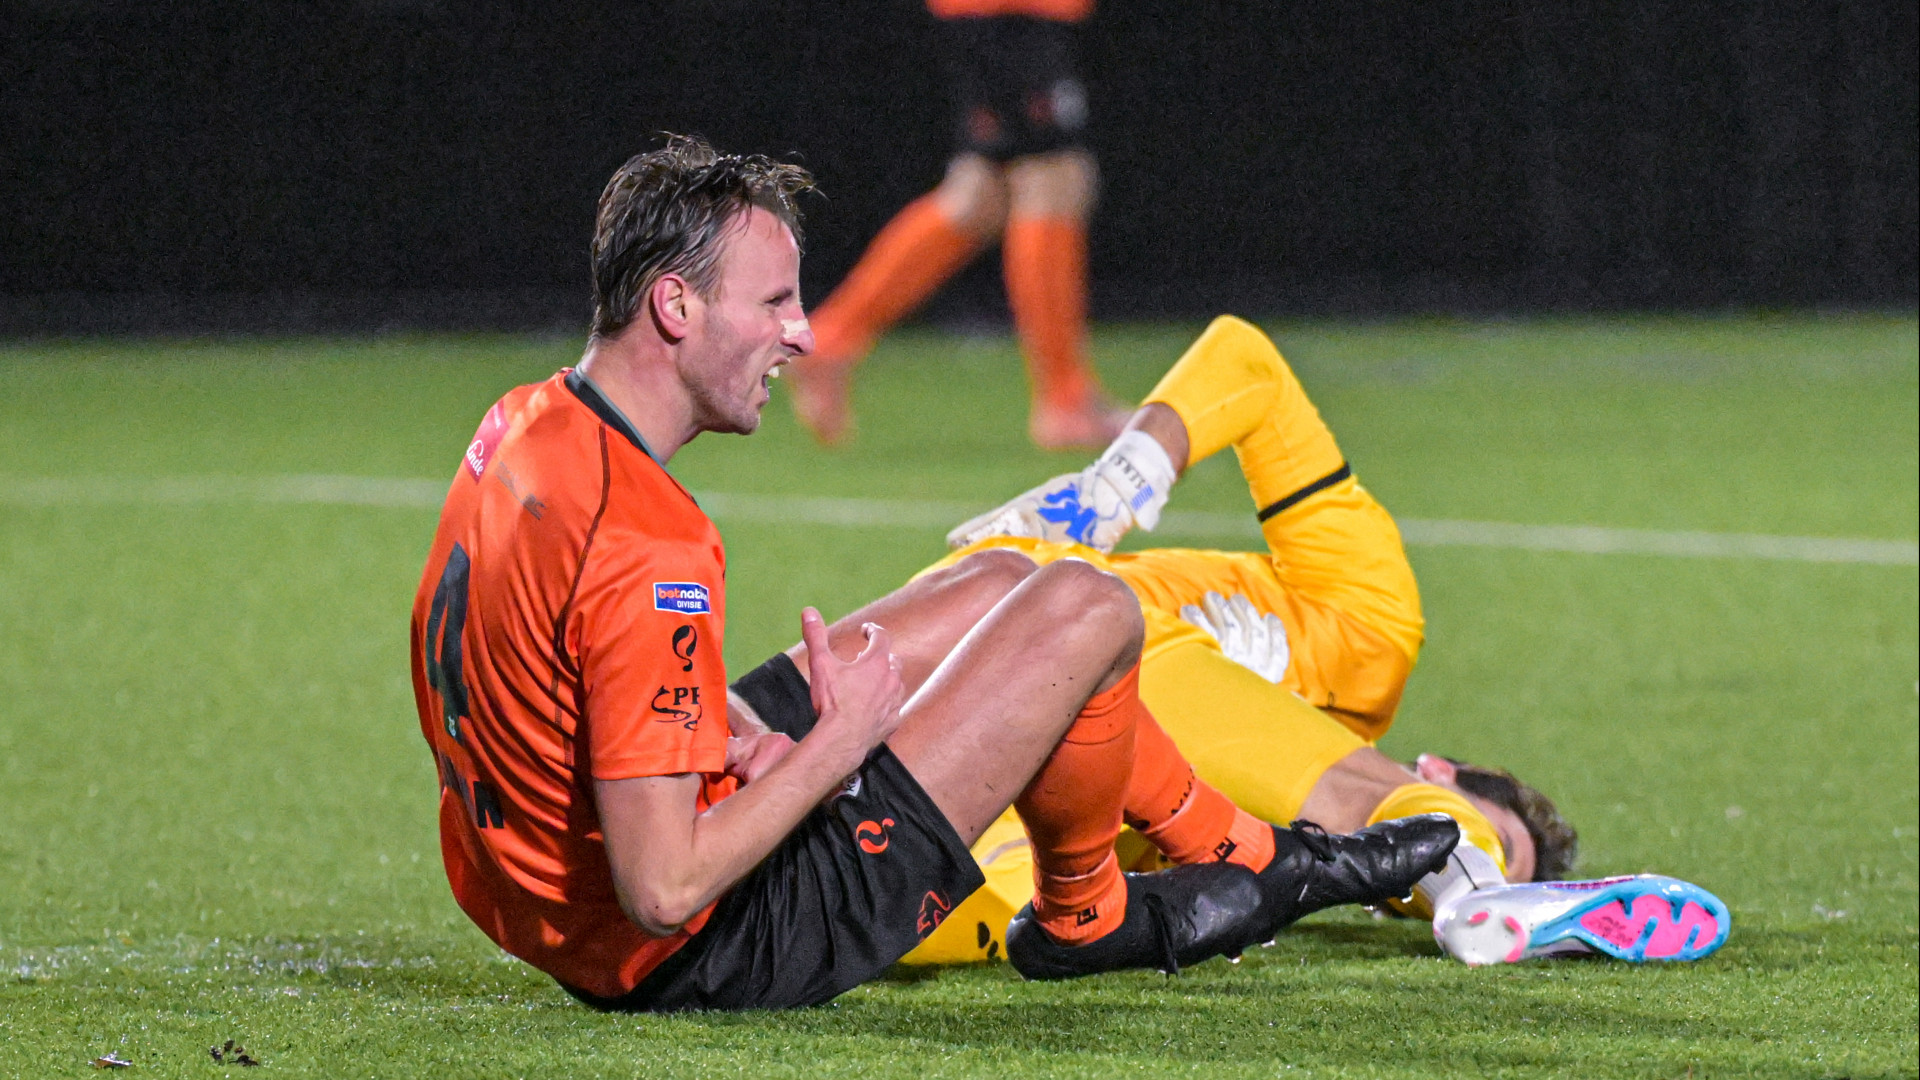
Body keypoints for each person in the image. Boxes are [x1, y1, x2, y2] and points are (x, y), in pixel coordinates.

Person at [409, 138, 1460, 1012]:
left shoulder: (524, 423)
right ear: (676, 308)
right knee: (1088, 606)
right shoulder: (651, 544)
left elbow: (556, 668)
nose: (803, 334)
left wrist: (733, 732)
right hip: (699, 950)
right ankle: (1093, 911)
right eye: (773, 303)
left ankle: (1221, 852)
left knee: (1002, 578)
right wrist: (836, 745)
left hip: (546, 891)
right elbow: (663, 886)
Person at [776, 314, 1715, 966]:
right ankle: (1479, 902)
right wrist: (1115, 489)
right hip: (1068, 614)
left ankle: (721, 893)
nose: (1394, 901)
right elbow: (1247, 362)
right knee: (1371, 803)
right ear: (1444, 765)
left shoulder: (1217, 841)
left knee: (930, 902)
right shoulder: (1372, 626)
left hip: (981, 697)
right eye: (1497, 837)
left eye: (1494, 860)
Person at [787, 0, 1125, 449]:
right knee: (1052, 175)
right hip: (1016, 14)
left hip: (993, 16)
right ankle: (1066, 401)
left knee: (979, 196)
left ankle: (829, 341)